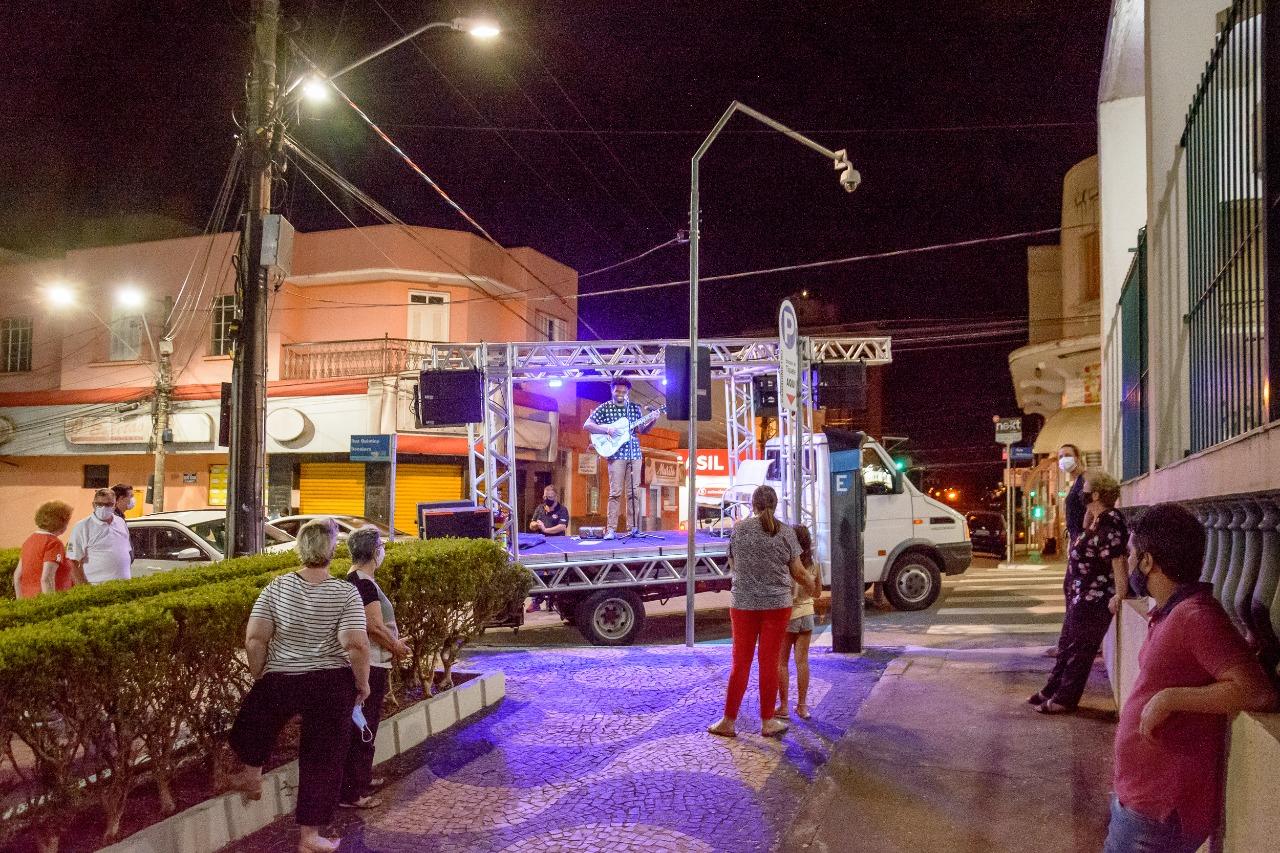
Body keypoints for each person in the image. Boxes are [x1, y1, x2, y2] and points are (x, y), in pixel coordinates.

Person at [1104, 503, 1276, 853]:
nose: (1130, 561)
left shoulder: (1195, 616)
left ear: (1148, 561)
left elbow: (1257, 690)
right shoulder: (1173, 612)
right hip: (1142, 802)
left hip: (1158, 814)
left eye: (1133, 553)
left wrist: (1171, 698)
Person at [223, 520, 371, 853]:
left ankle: (251, 773)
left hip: (283, 676)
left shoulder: (275, 588)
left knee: (253, 721)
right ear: (333, 551)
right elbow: (356, 645)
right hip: (331, 681)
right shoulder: (345, 592)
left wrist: (261, 674)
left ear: (300, 549)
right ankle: (309, 838)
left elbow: (255, 638)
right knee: (322, 757)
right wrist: (362, 684)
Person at [709, 485, 819, 739]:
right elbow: (799, 572)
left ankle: (728, 721)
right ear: (776, 504)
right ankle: (768, 721)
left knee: (740, 663)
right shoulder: (786, 533)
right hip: (777, 606)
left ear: (753, 505)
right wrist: (813, 586)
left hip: (743, 605)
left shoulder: (740, 530)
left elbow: (734, 564)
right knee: (768, 663)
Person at [1030, 471, 1128, 714]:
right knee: (1067, 646)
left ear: (1095, 494)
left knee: (1080, 651)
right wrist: (1090, 513)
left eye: (1085, 489)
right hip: (1081, 593)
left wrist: (1120, 593)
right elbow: (1086, 534)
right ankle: (1052, 689)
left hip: (1094, 597)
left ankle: (1065, 698)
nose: (1080, 493)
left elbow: (1118, 559)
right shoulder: (1097, 518)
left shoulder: (1110, 520)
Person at [339, 526, 410, 810]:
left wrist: (393, 641)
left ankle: (361, 779)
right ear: (372, 552)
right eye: (380, 545)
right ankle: (352, 792)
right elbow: (373, 626)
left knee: (366, 723)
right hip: (370, 663)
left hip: (374, 660)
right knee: (363, 725)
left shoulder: (356, 580)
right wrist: (395, 646)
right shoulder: (363, 583)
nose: (383, 550)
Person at [583, 378, 652, 539]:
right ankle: (611, 529)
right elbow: (587, 425)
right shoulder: (605, 408)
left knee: (634, 493)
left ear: (628, 393)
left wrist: (653, 419)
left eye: (623, 391)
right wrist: (606, 428)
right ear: (612, 391)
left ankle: (633, 528)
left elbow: (642, 430)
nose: (620, 394)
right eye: (617, 391)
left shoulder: (634, 408)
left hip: (634, 453)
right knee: (615, 492)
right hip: (615, 454)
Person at [777, 523, 821, 721]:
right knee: (802, 661)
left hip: (789, 616)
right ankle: (802, 707)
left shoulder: (788, 564)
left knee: (782, 662)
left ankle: (784, 706)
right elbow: (818, 593)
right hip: (808, 615)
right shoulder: (815, 563)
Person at [1047, 443, 1087, 657]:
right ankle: (1068, 644)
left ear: (1078, 457)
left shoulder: (1085, 481)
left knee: (1073, 591)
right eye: (1061, 456)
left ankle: (1067, 646)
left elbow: (1091, 512)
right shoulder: (1075, 483)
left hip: (1082, 546)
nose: (1064, 459)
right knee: (1072, 591)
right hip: (1076, 544)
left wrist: (1082, 540)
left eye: (1068, 455)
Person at [13, 501, 84, 598]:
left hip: (28, 602)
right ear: (61, 522)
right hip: (46, 602)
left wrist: (19, 603)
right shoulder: (53, 543)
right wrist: (51, 606)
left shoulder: (29, 540)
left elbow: (17, 576)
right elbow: (47, 578)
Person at [66, 488, 133, 585]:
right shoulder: (82, 526)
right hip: (96, 587)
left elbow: (126, 551)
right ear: (93, 505)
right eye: (100, 504)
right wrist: (83, 588)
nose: (103, 507)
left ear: (115, 505)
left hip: (123, 585)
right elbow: (72, 562)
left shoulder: (120, 522)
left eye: (109, 504)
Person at [526, 484, 569, 612]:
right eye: (545, 496)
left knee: (554, 574)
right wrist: (536, 525)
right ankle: (536, 601)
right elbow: (531, 524)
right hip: (540, 545)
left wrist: (546, 529)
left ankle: (554, 601)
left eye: (549, 496)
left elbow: (562, 527)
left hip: (557, 546)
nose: (547, 498)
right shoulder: (540, 508)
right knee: (537, 573)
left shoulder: (562, 510)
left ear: (555, 496)